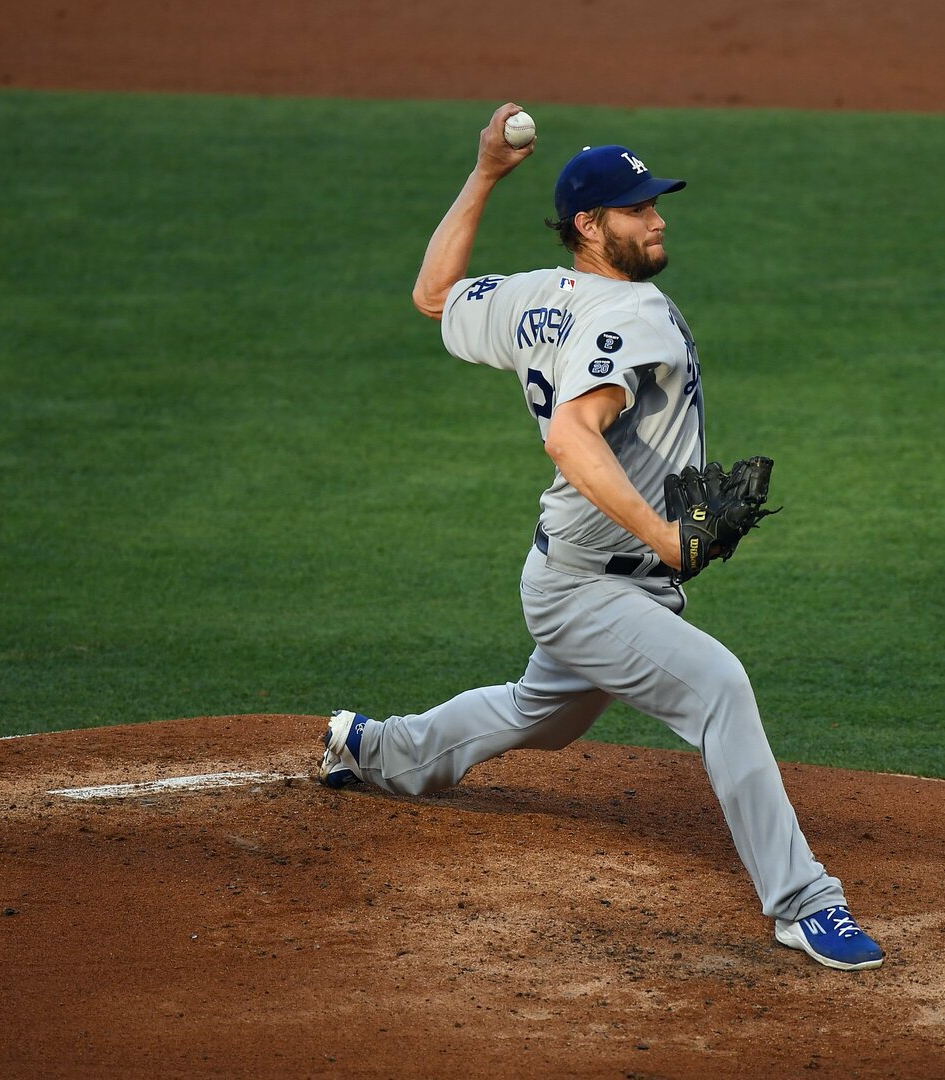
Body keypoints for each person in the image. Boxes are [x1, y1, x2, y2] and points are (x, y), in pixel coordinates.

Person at [318, 103, 885, 971]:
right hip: (592, 586)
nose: (656, 218)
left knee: (536, 716)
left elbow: (433, 295)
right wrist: (663, 532)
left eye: (656, 203)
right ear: (590, 225)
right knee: (720, 688)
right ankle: (805, 903)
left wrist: (484, 173)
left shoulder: (537, 297)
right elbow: (571, 436)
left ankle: (373, 748)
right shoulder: (638, 318)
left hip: (576, 573)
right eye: (635, 207)